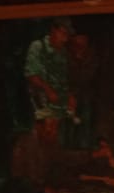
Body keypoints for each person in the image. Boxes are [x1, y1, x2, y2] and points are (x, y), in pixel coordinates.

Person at [24, 18, 75, 148]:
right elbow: (31, 75)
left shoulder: (63, 52)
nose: (65, 39)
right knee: (42, 135)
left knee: (54, 138)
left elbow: (64, 78)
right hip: (39, 100)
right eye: (62, 33)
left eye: (67, 35)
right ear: (53, 30)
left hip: (58, 102)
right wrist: (48, 90)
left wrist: (69, 95)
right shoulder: (38, 46)